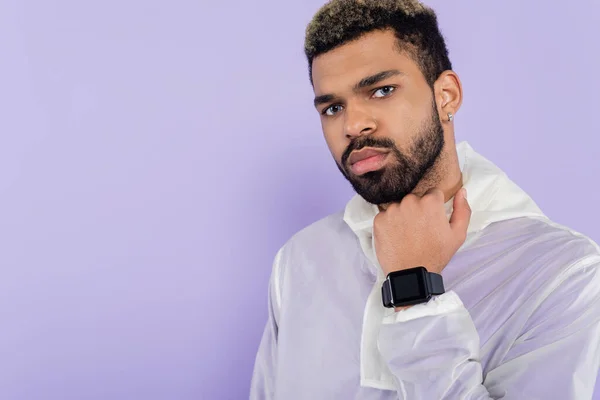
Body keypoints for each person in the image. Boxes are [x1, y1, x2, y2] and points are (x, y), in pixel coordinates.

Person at [250, 0, 600, 398]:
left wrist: (414, 293)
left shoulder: (561, 272)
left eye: (381, 90)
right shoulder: (301, 260)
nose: (352, 124)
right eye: (332, 107)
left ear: (446, 96)